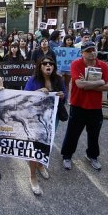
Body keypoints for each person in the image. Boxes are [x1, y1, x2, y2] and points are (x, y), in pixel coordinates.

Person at [61, 41, 108, 171]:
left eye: (93, 50)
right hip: (78, 105)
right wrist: (100, 83)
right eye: (88, 51)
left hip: (95, 107)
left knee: (94, 134)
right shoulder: (76, 64)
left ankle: (92, 156)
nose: (92, 53)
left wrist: (89, 84)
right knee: (73, 133)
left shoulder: (103, 65)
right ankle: (67, 156)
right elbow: (79, 85)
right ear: (82, 53)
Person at [24, 56, 65, 195]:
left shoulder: (59, 79)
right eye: (45, 63)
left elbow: (64, 95)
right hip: (36, 118)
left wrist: (62, 95)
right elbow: (25, 97)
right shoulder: (33, 80)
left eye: (51, 64)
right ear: (40, 66)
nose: (48, 66)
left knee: (46, 144)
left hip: (53, 118)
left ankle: (40, 165)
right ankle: (32, 176)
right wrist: (37, 92)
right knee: (35, 145)